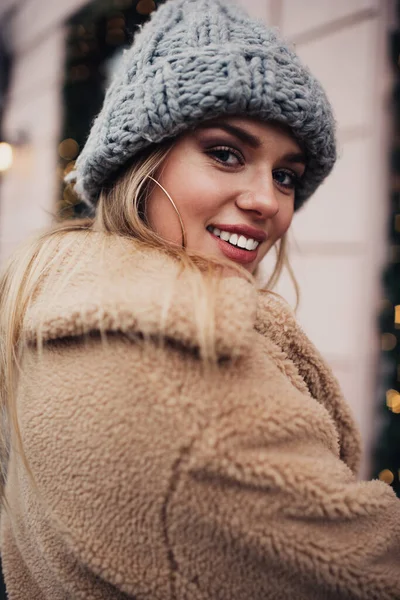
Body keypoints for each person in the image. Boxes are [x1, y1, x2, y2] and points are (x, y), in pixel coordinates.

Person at [0, 0, 399, 597]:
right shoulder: (185, 390)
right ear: (141, 158)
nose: (267, 199)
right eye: (226, 153)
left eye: (286, 174)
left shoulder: (65, 301)